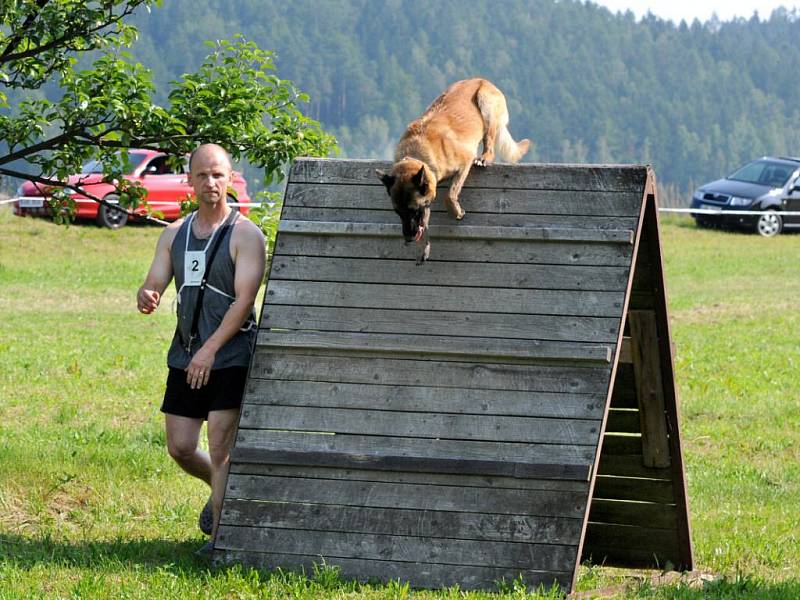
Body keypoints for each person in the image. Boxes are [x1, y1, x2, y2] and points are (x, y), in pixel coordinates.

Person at [136, 143, 265, 555]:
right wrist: (148, 294)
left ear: (230, 179)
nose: (211, 183)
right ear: (189, 180)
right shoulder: (174, 234)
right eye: (202, 175)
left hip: (229, 356)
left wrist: (210, 351)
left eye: (218, 175)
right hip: (186, 355)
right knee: (180, 446)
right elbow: (156, 279)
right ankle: (219, 493)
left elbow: (244, 299)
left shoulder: (246, 235)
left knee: (222, 444)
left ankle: (220, 543)